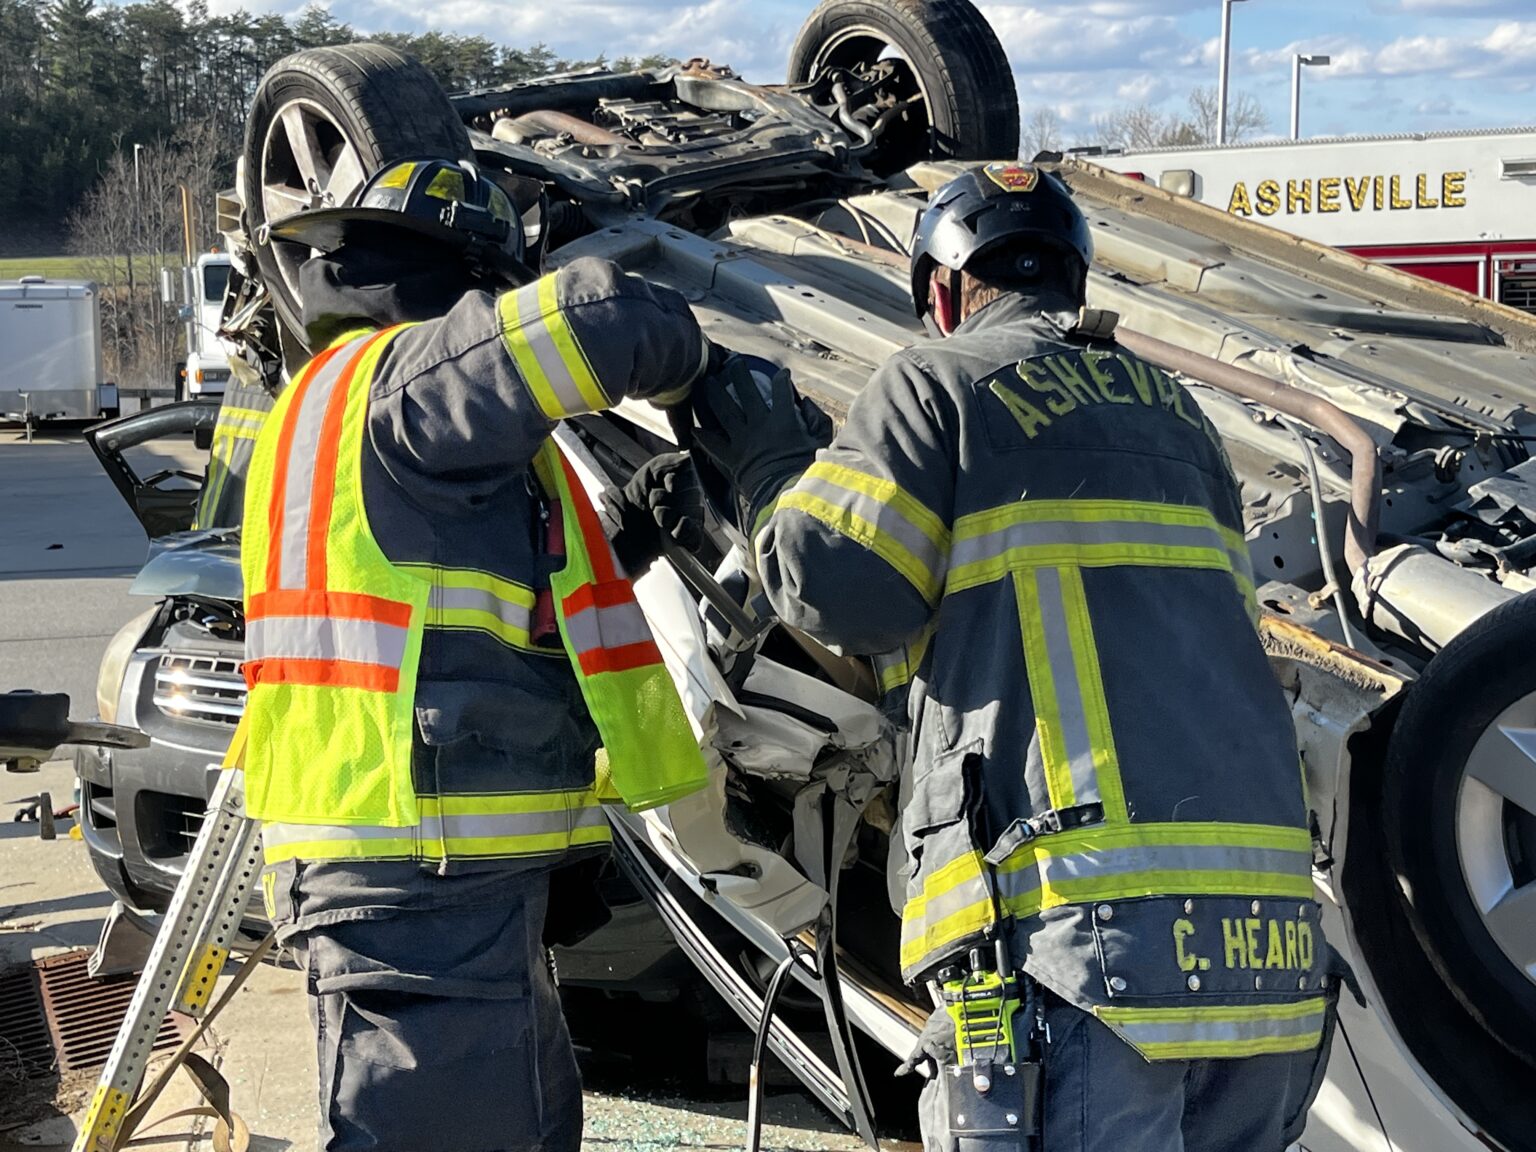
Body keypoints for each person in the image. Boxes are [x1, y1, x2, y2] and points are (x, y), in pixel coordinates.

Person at [687, 163, 1337, 1151]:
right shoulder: (1183, 423)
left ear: (945, 292)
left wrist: (769, 467)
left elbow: (837, 588)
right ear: (1074, 278)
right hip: (1266, 952)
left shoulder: (938, 384)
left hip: (1084, 945)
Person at [237, 156, 711, 1152]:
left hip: (426, 865)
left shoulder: (342, 407)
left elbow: (470, 595)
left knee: (522, 1126)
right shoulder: (410, 377)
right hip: (417, 866)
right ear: (469, 282)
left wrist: (626, 536)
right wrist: (695, 365)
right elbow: (598, 319)